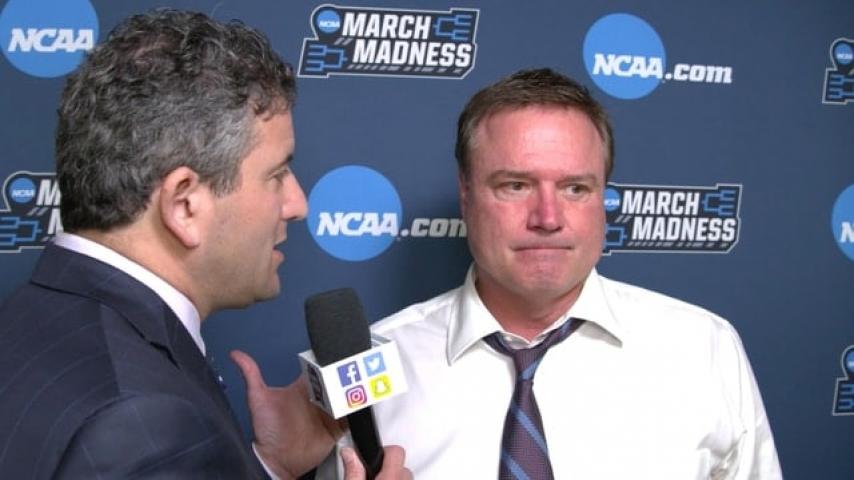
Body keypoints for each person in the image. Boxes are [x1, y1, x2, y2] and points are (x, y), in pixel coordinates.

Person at [0, 9, 409, 480]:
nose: (298, 205)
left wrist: (266, 467)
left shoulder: (35, 315)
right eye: (277, 174)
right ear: (185, 205)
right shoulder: (145, 419)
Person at [321, 68, 782, 479]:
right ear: (466, 194)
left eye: (575, 188)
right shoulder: (368, 372)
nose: (547, 217)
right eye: (515, 185)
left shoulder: (704, 349)